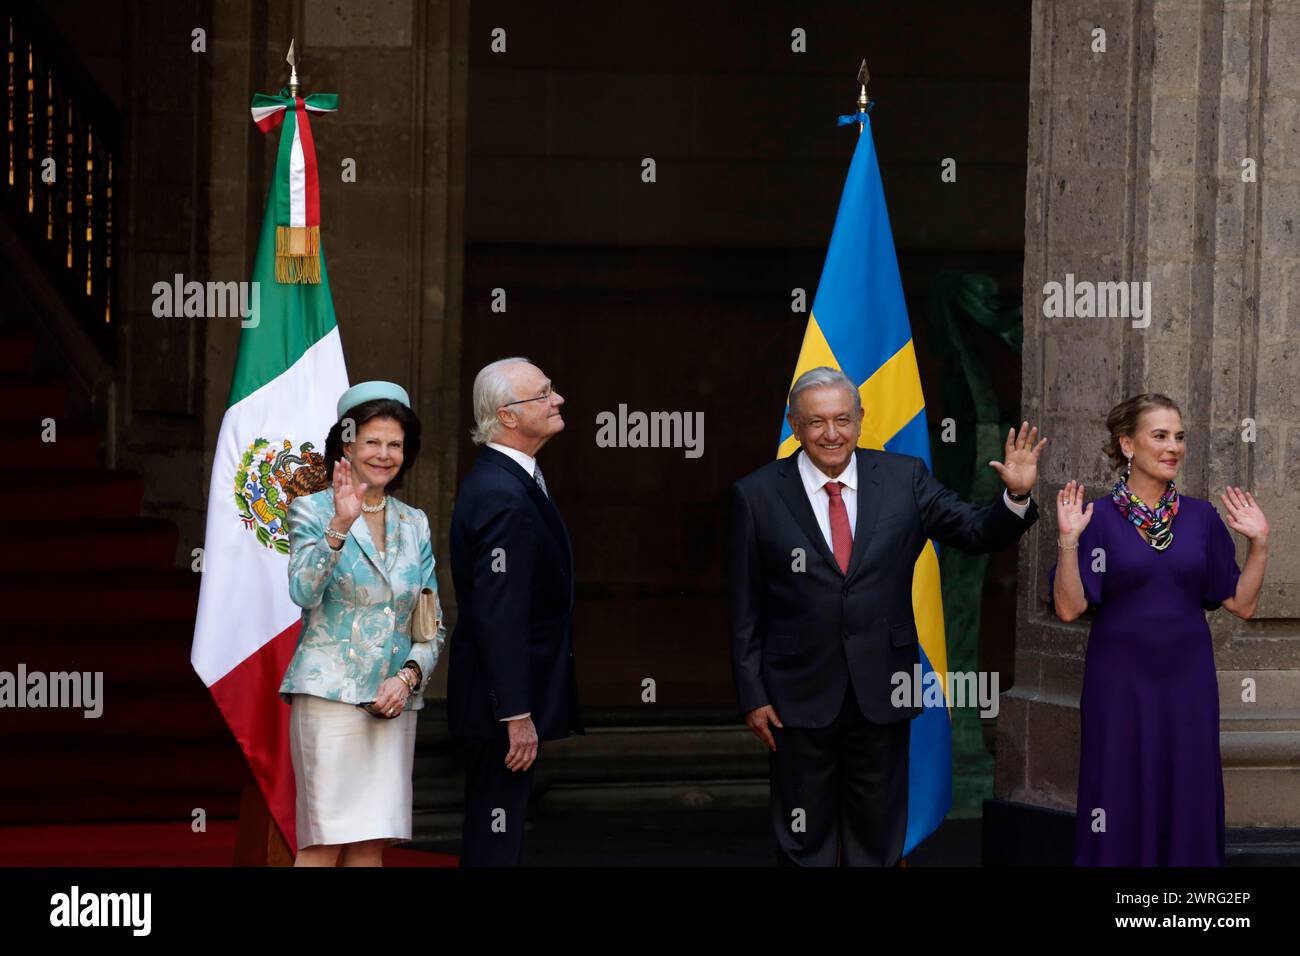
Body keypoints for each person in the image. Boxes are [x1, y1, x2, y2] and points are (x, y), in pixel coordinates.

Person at [730, 366, 1042, 866]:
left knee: (876, 835)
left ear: (860, 418)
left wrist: (1016, 497)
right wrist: (752, 692)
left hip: (884, 685)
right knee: (802, 836)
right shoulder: (758, 493)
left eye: (842, 420)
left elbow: (976, 532)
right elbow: (746, 604)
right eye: (816, 422)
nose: (832, 434)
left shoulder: (904, 477)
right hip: (795, 692)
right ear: (793, 423)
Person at [1051, 393, 1269, 866]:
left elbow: (1242, 604)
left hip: (1188, 684)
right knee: (1117, 788)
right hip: (1120, 685)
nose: (1173, 447)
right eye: (1160, 436)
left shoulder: (1201, 518)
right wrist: (1069, 543)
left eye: (1179, 437)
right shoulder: (1098, 518)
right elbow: (1069, 609)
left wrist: (1260, 546)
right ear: (1128, 445)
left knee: (1187, 787)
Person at [280, 381, 447, 867]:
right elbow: (303, 593)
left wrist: (408, 677)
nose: (384, 454)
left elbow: (431, 623)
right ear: (346, 444)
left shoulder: (414, 522)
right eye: (372, 441)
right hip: (329, 698)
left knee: (370, 844)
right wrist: (339, 525)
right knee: (323, 843)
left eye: (395, 444)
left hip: (393, 702)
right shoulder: (311, 510)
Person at [447, 357, 581, 866]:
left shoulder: (513, 478)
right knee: (494, 836)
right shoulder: (502, 493)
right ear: (507, 416)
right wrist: (516, 713)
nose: (558, 399)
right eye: (543, 393)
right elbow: (497, 613)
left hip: (504, 698)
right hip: (500, 705)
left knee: (500, 828)